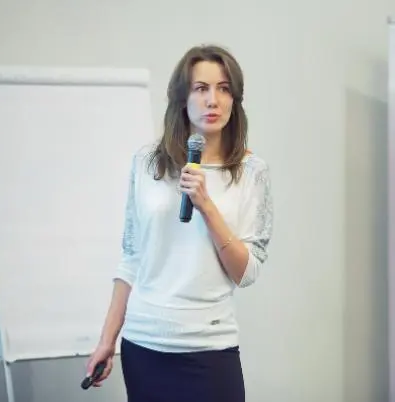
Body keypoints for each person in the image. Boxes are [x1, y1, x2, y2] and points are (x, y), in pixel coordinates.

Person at [85, 44, 273, 402]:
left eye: (223, 89)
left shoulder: (251, 172)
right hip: (144, 344)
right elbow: (131, 257)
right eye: (201, 88)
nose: (213, 100)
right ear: (182, 98)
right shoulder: (146, 162)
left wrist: (207, 207)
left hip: (210, 346)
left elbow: (246, 273)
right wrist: (107, 340)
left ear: (235, 99)